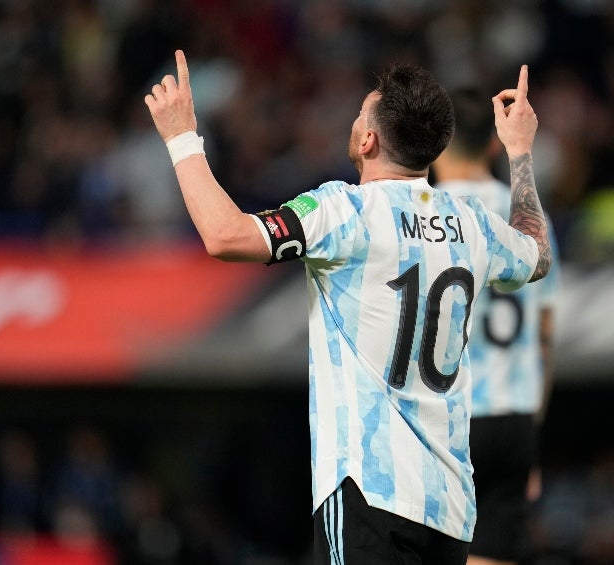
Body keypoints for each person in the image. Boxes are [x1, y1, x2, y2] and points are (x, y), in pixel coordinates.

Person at [145, 51, 552, 564]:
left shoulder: (343, 211)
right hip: (449, 506)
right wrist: (520, 152)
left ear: (368, 140)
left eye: (360, 115)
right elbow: (536, 254)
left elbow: (226, 236)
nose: (355, 122)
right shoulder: (470, 222)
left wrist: (181, 137)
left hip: (370, 492)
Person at [432, 89, 561, 565]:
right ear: (491, 144)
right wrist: (532, 432)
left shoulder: (423, 214)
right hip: (514, 417)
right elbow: (544, 340)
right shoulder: (530, 221)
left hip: (449, 418)